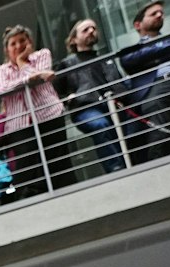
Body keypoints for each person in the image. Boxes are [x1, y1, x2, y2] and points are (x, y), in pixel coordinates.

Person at [0, 24, 71, 198]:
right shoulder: (1, 71)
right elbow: (2, 88)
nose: (18, 46)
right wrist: (30, 78)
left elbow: (40, 80)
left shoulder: (42, 55)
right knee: (27, 165)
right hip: (19, 124)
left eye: (22, 41)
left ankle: (64, 195)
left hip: (49, 115)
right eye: (13, 43)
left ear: (30, 42)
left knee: (57, 160)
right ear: (7, 49)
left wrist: (22, 63)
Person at [56, 19, 128, 175]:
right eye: (85, 30)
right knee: (100, 125)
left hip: (114, 104)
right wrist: (68, 97)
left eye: (93, 28)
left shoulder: (106, 59)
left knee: (130, 128)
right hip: (85, 108)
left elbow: (119, 83)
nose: (91, 31)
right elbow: (56, 91)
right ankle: (117, 169)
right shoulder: (67, 64)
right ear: (73, 40)